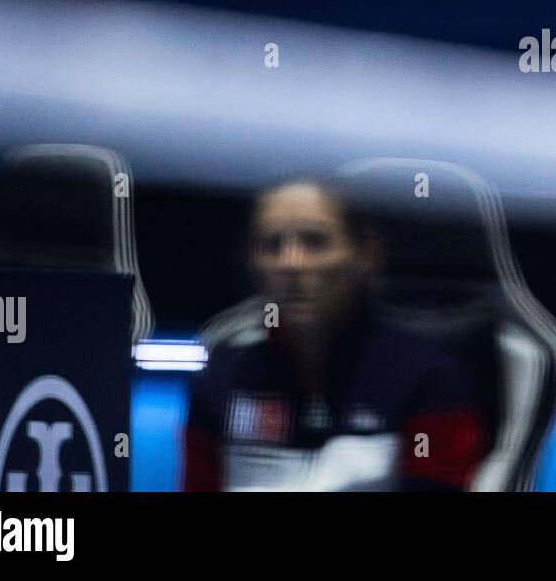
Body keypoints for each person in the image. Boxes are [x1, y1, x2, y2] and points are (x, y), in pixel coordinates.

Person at [183, 179, 485, 490]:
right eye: (272, 245)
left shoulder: (428, 380)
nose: (291, 263)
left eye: (315, 242)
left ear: (366, 255)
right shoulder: (221, 380)